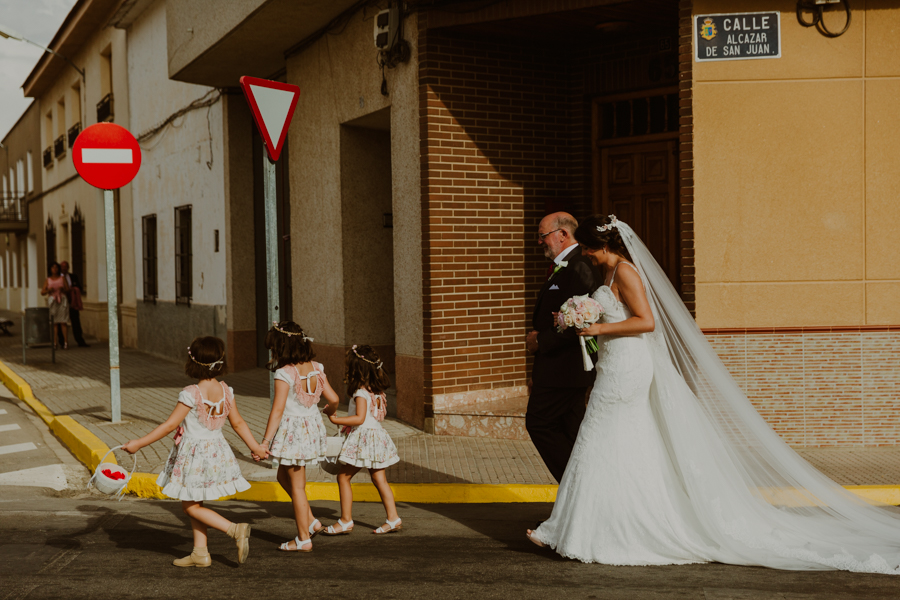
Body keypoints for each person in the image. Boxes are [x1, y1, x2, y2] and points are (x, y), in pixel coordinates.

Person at [526, 215, 900, 574]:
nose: (585, 255)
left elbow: (647, 321)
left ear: (600, 244)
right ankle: (592, 524)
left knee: (604, 437)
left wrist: (597, 331)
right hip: (613, 364)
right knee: (610, 441)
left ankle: (596, 527)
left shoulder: (625, 270)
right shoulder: (607, 271)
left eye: (588, 249)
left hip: (629, 366)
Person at [122, 336, 266, 568]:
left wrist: (139, 443)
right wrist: (255, 447)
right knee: (195, 501)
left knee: (189, 505)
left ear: (193, 362)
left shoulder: (192, 392)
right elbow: (238, 424)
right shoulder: (226, 391)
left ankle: (234, 529)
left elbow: (169, 425)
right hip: (217, 454)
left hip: (194, 456)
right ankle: (200, 552)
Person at [525, 212, 601, 483]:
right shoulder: (565, 266)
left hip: (565, 371)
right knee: (571, 434)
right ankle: (580, 497)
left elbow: (584, 321)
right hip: (558, 371)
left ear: (563, 234)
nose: (539, 242)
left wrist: (540, 341)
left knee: (538, 423)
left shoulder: (580, 266)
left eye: (543, 235)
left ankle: (575, 488)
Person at [256, 321, 339, 553]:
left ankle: (303, 538)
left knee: (297, 487)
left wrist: (264, 442)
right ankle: (311, 520)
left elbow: (278, 410)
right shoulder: (317, 367)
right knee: (283, 474)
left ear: (282, 347)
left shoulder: (285, 373)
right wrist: (329, 413)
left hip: (293, 432)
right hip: (311, 428)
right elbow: (333, 399)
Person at [322, 345, 401, 536]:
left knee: (343, 477)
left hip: (364, 439)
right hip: (376, 437)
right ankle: (393, 518)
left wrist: (334, 418)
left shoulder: (360, 392)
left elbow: (359, 418)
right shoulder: (376, 391)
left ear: (356, 369)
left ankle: (345, 521)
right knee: (379, 478)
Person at [40, 262, 69, 350]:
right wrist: (48, 290)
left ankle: (65, 342)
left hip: (62, 300)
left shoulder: (62, 278)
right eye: (53, 267)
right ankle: (55, 343)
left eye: (56, 267)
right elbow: (42, 292)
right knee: (54, 323)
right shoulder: (48, 279)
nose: (55, 269)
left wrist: (62, 289)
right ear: (50, 269)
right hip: (53, 301)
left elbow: (68, 289)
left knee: (63, 322)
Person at [59, 261, 88, 347]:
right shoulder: (58, 278)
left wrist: (74, 289)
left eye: (66, 266)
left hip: (72, 303)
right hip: (62, 303)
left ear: (68, 267)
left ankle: (80, 340)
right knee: (62, 322)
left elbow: (79, 286)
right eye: (62, 267)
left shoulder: (73, 276)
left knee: (76, 322)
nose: (64, 268)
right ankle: (62, 341)